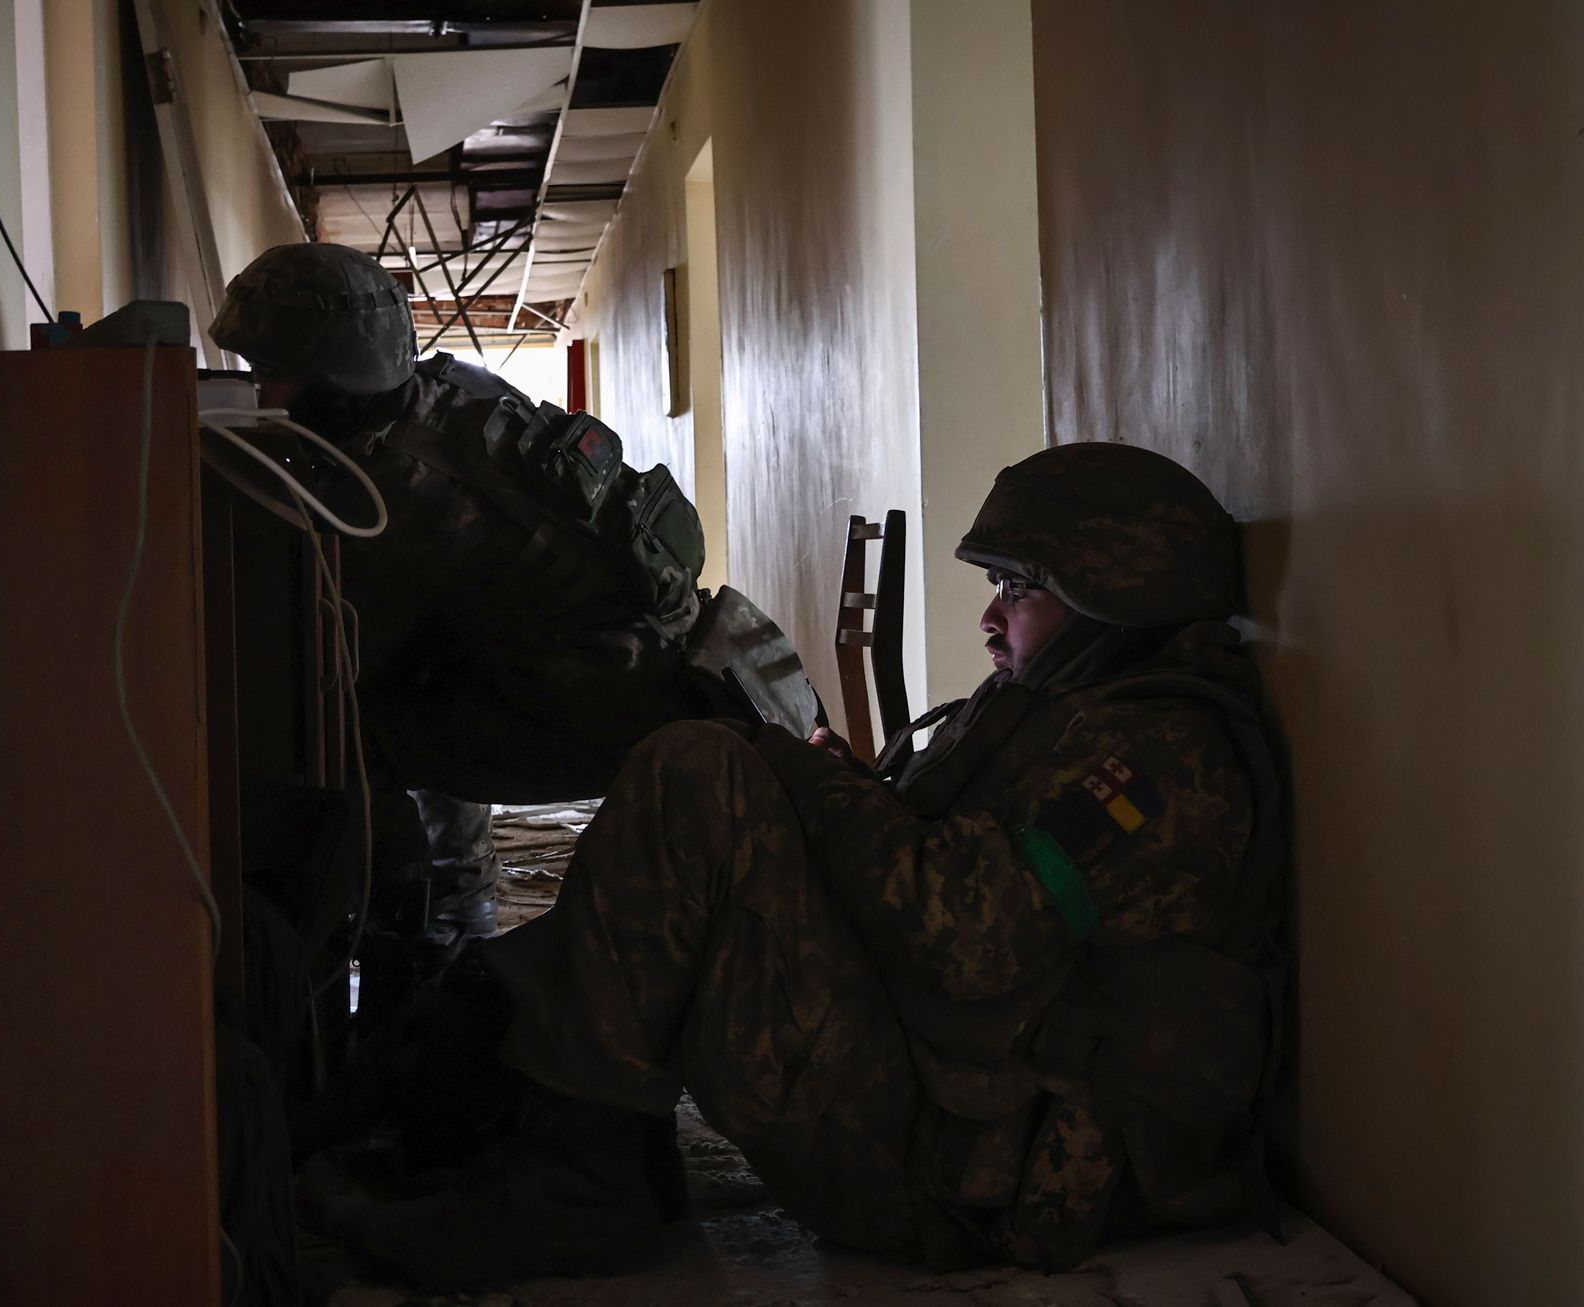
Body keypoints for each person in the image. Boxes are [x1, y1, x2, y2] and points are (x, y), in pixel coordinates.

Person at [303, 440, 1286, 1288]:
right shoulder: (1063, 708)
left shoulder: (1158, 764)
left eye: (1019, 591)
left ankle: (575, 1175)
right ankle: (535, 1124)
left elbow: (963, 937)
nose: (992, 619)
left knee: (701, 774)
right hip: (945, 1094)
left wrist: (803, 778)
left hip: (973, 1180)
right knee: (701, 794)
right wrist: (830, 782)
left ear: (1114, 597)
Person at [208, 243, 755, 1009]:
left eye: (274, 374)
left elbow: (346, 655)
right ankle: (437, 934)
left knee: (347, 730)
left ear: (336, 377)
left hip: (613, 712)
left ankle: (432, 950)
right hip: (640, 662)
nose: (262, 391)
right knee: (403, 693)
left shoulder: (409, 490)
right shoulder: (445, 392)